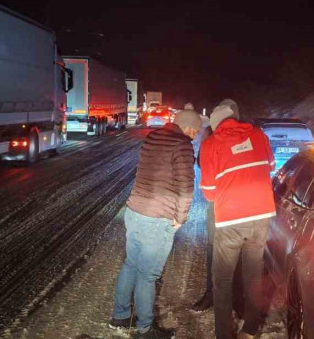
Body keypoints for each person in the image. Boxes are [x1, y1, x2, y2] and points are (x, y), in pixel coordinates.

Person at [109, 109, 202, 339]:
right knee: (147, 276)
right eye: (196, 131)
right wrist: (180, 218)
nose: (196, 135)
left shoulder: (152, 137)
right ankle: (145, 329)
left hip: (135, 210)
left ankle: (120, 316)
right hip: (157, 217)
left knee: (131, 264)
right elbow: (185, 187)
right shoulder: (182, 145)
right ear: (189, 128)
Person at [199, 101, 275, 339]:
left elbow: (209, 192)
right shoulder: (258, 135)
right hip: (262, 213)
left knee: (222, 279)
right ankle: (251, 328)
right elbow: (270, 166)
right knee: (253, 273)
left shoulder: (211, 144)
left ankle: (224, 334)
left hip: (230, 218)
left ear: (214, 124)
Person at [190, 99, 239, 313]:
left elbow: (201, 162)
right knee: (220, 250)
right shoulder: (212, 135)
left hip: (223, 202)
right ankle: (222, 296)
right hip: (224, 201)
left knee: (216, 249)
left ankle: (221, 296)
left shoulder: (213, 134)